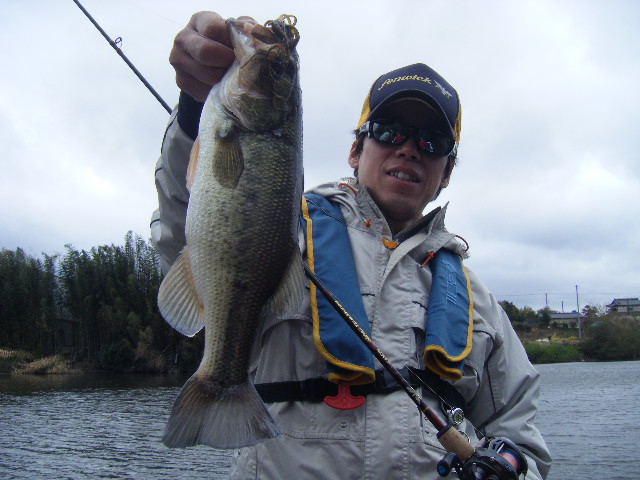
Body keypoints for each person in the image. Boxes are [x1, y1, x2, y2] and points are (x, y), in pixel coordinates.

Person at [151, 11, 552, 480]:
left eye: (432, 141)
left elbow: (520, 434)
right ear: (356, 151)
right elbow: (183, 226)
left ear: (446, 174)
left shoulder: (477, 303)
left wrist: (510, 465)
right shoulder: (288, 228)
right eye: (389, 131)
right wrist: (195, 109)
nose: (409, 148)